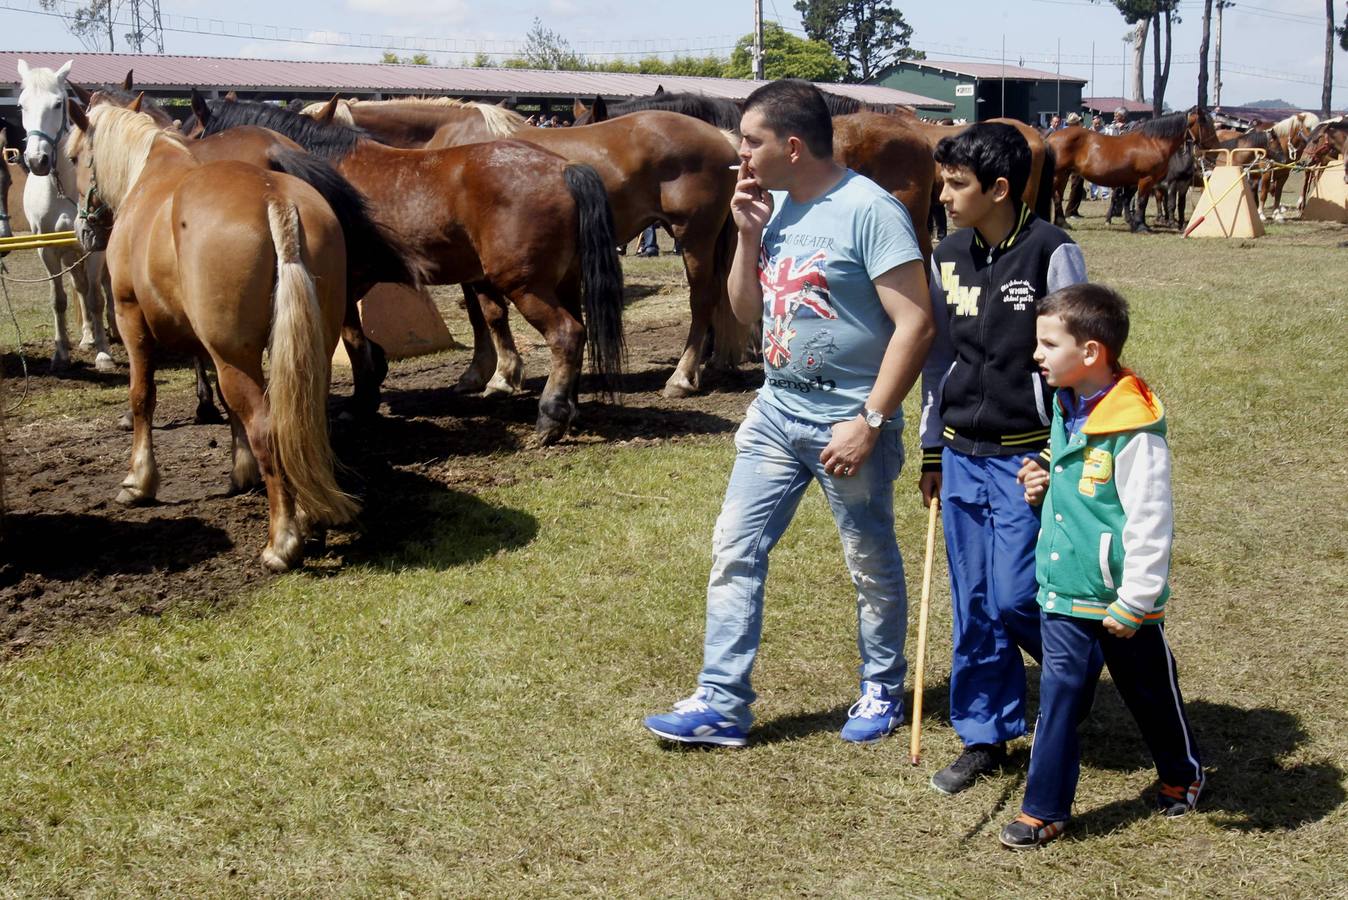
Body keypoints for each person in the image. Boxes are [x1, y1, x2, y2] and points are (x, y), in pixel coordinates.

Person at [643, 78, 934, 747]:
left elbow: (916, 324)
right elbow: (745, 315)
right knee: (735, 549)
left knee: (868, 558)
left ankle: (883, 687)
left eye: (750, 141)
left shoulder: (870, 211)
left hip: (847, 419)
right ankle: (721, 702)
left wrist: (872, 420)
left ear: (793, 145)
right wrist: (747, 237)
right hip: (776, 411)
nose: (738, 153)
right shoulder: (769, 207)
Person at [999, 283, 1203, 849]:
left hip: (1120, 599)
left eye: (1048, 343)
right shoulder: (1068, 402)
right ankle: (1044, 809)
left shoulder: (1133, 427)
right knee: (1060, 696)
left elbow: (1149, 516)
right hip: (1065, 590)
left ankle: (1181, 774)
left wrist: (1136, 599)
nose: (1036, 354)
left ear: (1091, 353)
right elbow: (1071, 482)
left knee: (1149, 690)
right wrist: (1039, 483)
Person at [919, 123, 1091, 794]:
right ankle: (984, 734)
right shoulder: (949, 253)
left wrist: (1061, 454)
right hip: (961, 453)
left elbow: (1079, 366)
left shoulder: (1055, 252)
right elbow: (937, 359)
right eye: (944, 181)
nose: (944, 195)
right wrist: (932, 448)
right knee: (975, 602)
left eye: (957, 184)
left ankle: (1072, 671)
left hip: (1029, 460)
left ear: (999, 189)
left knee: (1020, 593)